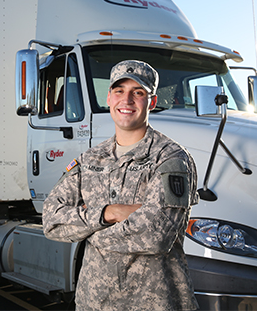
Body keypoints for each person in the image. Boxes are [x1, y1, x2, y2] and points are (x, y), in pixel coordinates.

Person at [43, 60, 199, 311]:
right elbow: (51, 221)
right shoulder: (91, 158)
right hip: (94, 302)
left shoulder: (170, 158)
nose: (126, 100)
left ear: (152, 102)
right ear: (109, 98)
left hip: (153, 303)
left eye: (138, 92)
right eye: (119, 91)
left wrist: (87, 232)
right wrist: (109, 213)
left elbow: (156, 236)